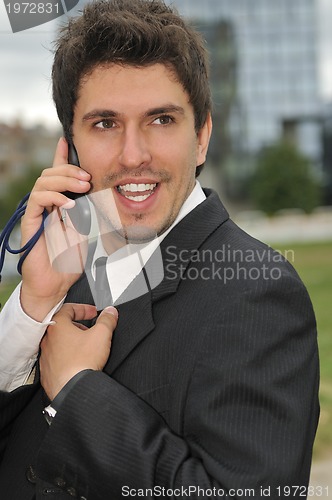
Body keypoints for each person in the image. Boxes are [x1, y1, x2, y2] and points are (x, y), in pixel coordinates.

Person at [0, 0, 319, 498]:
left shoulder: (261, 294)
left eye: (161, 120)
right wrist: (32, 305)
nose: (134, 155)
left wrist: (78, 393)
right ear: (72, 145)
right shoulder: (63, 266)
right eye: (105, 123)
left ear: (202, 137)